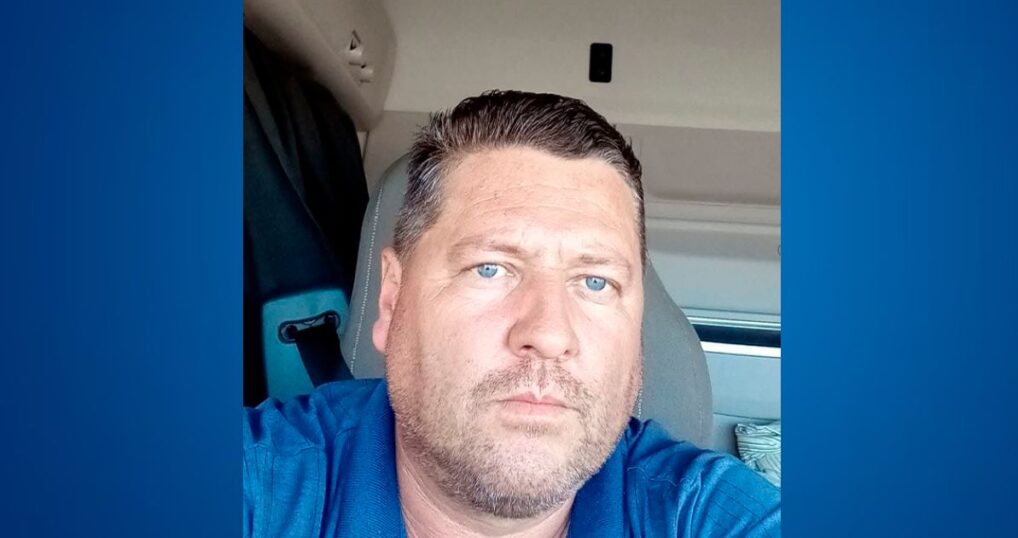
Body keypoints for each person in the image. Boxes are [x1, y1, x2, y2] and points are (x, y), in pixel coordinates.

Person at [243, 90, 781, 537]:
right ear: (392, 298)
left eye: (595, 282)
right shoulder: (260, 484)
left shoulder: (707, 513)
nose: (548, 333)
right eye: (490, 269)